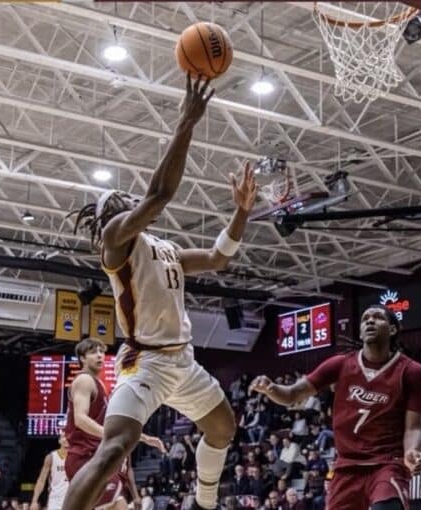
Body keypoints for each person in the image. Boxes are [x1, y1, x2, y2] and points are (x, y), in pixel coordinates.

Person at [63, 75, 256, 510]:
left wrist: (241, 213)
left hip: (181, 360)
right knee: (115, 449)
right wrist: (186, 122)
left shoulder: (164, 248)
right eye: (118, 201)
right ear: (108, 216)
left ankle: (204, 504)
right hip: (145, 361)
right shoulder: (116, 240)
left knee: (223, 429)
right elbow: (160, 194)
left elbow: (218, 257)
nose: (125, 201)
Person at [250, 304, 421, 510]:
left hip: (387, 463)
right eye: (365, 319)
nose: (370, 321)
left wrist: (412, 451)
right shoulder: (340, 364)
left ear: (393, 329)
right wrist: (272, 388)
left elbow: (413, 428)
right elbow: (292, 395)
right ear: (360, 333)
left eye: (378, 317)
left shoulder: (411, 371)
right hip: (347, 465)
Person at [64, 338, 165, 510]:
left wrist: (144, 438)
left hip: (95, 457)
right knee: (118, 505)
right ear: (82, 358)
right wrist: (110, 437)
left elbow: (114, 428)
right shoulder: (84, 380)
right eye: (93, 352)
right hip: (85, 457)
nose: (100, 356)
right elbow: (80, 419)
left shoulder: (100, 385)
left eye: (101, 352)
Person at [31, 432, 69, 510]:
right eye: (63, 437)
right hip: (55, 500)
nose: (66, 439)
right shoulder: (51, 457)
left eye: (68, 437)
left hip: (73, 498)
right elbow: (41, 480)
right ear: (59, 440)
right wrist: (34, 500)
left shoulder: (77, 457)